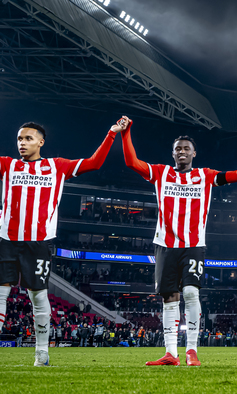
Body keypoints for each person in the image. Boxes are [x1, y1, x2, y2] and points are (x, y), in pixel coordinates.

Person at [121, 116, 237, 366]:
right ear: (173, 153)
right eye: (178, 148)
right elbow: (131, 162)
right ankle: (171, 353)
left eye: (186, 148)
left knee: (190, 292)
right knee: (169, 298)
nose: (181, 152)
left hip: (193, 244)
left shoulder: (205, 176)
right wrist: (126, 133)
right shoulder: (161, 173)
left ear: (194, 153)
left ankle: (192, 350)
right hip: (165, 245)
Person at [0, 117, 126, 366]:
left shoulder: (57, 166)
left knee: (37, 296)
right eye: (19, 139)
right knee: (1, 293)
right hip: (7, 240)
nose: (22, 143)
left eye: (28, 138)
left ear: (41, 142)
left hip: (39, 242)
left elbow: (94, 162)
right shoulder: (7, 165)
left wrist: (112, 132)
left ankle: (41, 352)